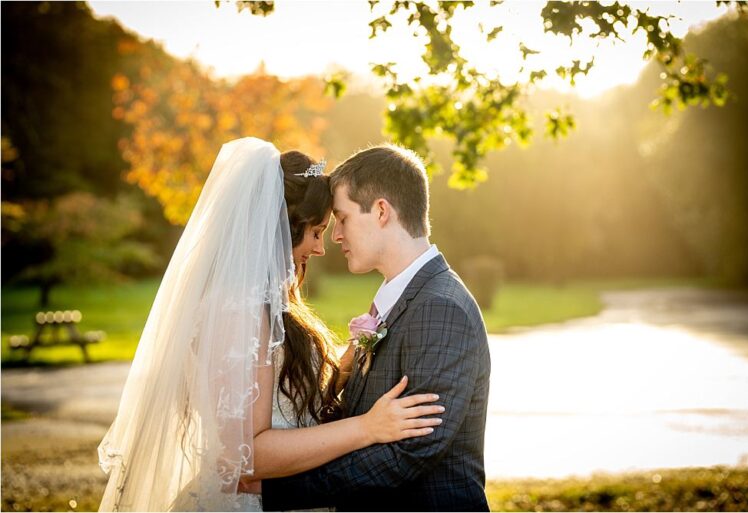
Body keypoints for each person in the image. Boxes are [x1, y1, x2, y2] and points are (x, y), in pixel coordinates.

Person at [97, 138, 442, 512]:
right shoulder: (237, 311)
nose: (322, 247)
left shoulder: (266, 304)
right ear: (284, 228)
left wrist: (345, 368)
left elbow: (284, 405)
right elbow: (246, 456)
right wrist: (367, 429)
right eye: (317, 232)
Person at [261, 144, 492, 512]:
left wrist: (275, 491)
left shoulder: (440, 308)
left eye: (343, 218)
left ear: (381, 211)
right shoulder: (400, 300)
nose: (335, 236)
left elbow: (412, 450)